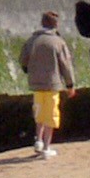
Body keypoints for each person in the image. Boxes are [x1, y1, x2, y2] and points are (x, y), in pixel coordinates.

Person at [19, 11, 76, 159]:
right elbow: (66, 65)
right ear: (56, 25)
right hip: (52, 83)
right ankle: (46, 148)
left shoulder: (32, 40)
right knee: (51, 115)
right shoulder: (58, 42)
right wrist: (70, 85)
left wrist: (28, 70)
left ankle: (38, 140)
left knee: (39, 113)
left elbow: (23, 59)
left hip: (36, 83)